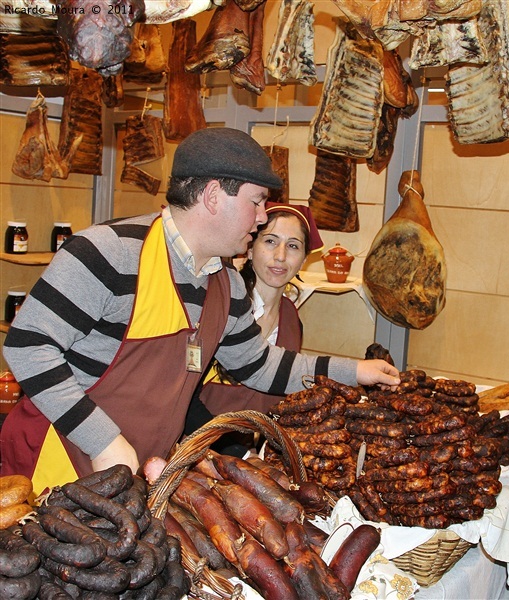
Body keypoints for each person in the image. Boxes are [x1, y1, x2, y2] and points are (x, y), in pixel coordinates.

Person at [0, 127, 399, 493]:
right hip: (49, 466)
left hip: (134, 475)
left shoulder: (223, 281)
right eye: (257, 202)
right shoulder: (108, 252)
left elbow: (258, 366)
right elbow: (27, 346)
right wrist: (102, 439)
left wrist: (354, 372)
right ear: (212, 197)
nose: (262, 218)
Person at [184, 201, 323, 444]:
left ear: (303, 260)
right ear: (249, 249)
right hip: (200, 449)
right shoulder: (219, 305)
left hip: (259, 457)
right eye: (270, 241)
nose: (280, 256)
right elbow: (183, 397)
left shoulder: (292, 318)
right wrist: (234, 451)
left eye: (293, 246)